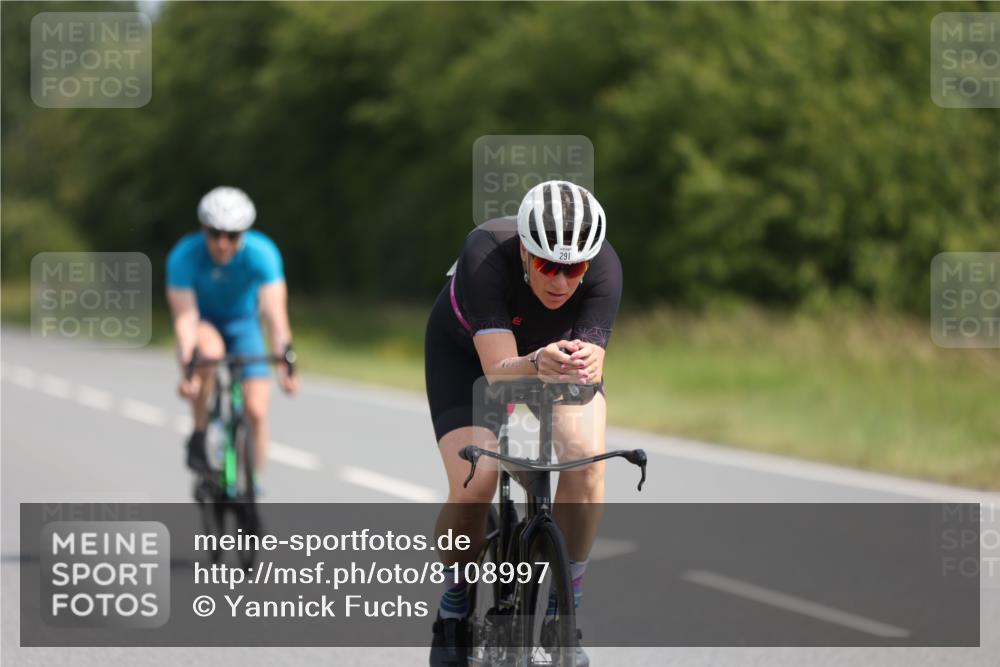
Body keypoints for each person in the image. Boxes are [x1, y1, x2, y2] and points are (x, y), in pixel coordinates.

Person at [425, 180, 622, 666]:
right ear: (525, 253)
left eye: (573, 269)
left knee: (586, 461)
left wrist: (575, 366)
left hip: (554, 359)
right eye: (548, 266)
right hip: (470, 359)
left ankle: (564, 611)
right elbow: (497, 373)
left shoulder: (605, 266)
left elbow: (592, 364)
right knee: (475, 483)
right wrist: (536, 361)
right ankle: (454, 604)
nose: (561, 282)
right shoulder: (485, 254)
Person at [166, 186, 298, 481]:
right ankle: (200, 431)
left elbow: (276, 315)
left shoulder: (262, 253)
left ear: (244, 233)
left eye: (232, 235)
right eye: (214, 234)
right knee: (210, 354)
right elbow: (185, 320)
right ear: (203, 228)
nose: (222, 243)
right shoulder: (184, 256)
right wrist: (188, 371)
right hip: (205, 321)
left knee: (257, 410)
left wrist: (286, 362)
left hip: (244, 324)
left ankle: (254, 485)